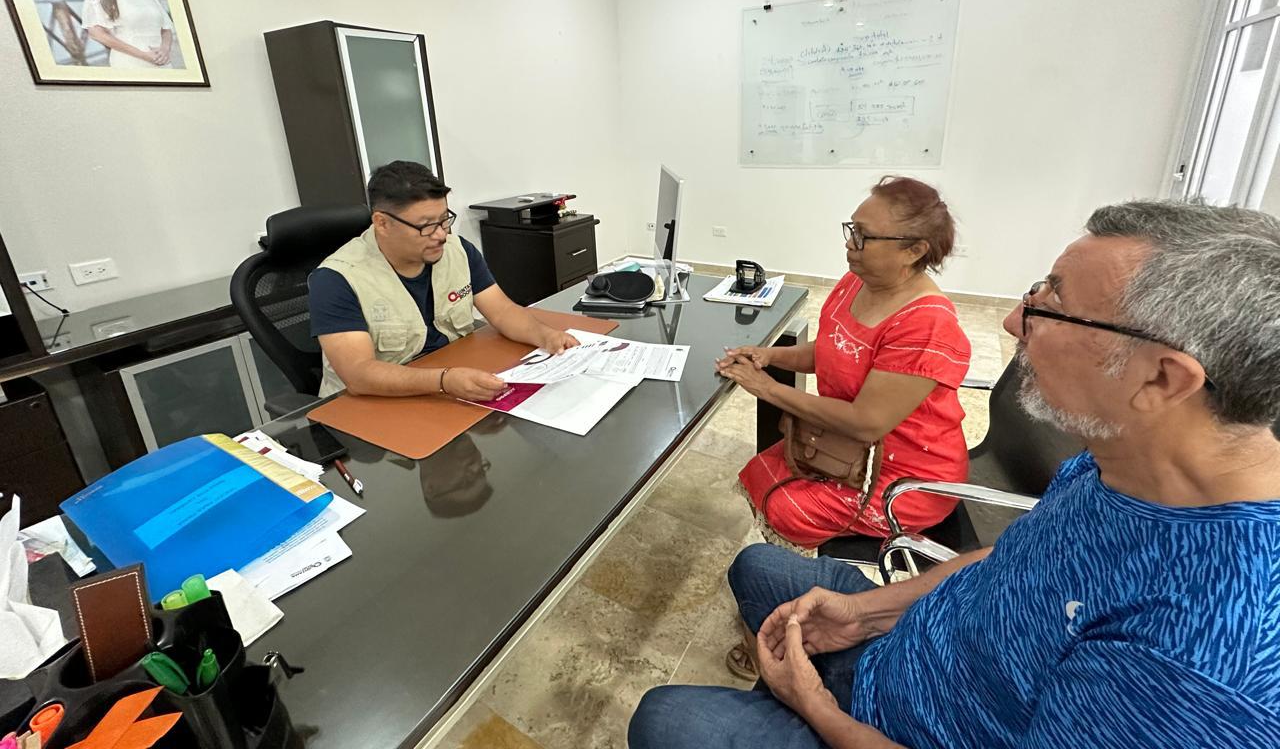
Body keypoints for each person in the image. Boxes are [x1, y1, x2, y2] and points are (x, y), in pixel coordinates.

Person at [629, 199, 1280, 749]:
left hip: (902, 725)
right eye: (1036, 290)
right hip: (908, 646)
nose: (1013, 322)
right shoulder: (1123, 458)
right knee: (755, 566)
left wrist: (814, 707)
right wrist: (865, 613)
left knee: (665, 719)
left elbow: (869, 421)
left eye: (1053, 307)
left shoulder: (1199, 664)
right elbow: (1012, 558)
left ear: (1162, 378)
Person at [723, 176, 970, 550]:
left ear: (914, 250)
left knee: (786, 507)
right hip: (845, 448)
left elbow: (865, 421)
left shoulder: (926, 324)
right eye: (852, 230)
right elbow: (832, 351)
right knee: (762, 471)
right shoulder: (855, 283)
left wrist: (768, 389)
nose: (850, 243)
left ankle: (798, 578)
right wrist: (770, 356)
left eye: (863, 236)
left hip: (903, 477)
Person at [309, 160, 578, 400]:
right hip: (369, 406)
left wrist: (545, 335)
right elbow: (359, 375)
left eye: (444, 220)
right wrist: (444, 381)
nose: (440, 235)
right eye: (426, 225)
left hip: (447, 383)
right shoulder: (337, 279)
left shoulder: (457, 250)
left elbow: (502, 311)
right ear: (382, 223)